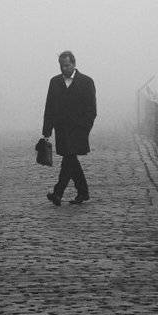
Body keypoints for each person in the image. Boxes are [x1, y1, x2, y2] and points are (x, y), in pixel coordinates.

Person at [41, 50, 97, 205]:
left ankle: (58, 193)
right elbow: (49, 107)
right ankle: (82, 193)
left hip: (79, 130)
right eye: (61, 66)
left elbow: (91, 109)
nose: (64, 68)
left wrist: (85, 128)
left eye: (66, 65)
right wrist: (47, 131)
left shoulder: (86, 82)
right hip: (62, 129)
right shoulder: (54, 82)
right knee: (70, 159)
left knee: (69, 158)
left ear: (74, 64)